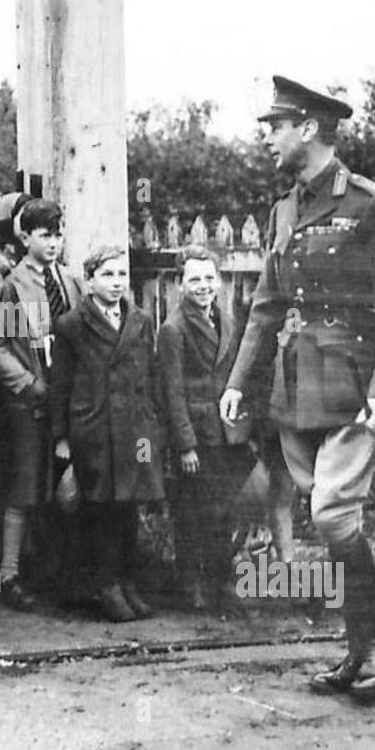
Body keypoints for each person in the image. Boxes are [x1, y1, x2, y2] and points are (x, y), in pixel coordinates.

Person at [220, 76, 375, 697]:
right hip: (296, 391)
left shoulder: (369, 205)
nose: (269, 139)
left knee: (332, 513)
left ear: (308, 128)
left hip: (355, 392)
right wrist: (239, 384)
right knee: (329, 518)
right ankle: (360, 648)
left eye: (276, 127)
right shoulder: (285, 209)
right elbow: (266, 306)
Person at [49, 245, 165, 623]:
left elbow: (149, 374)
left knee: (129, 505)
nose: (116, 283)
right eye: (108, 275)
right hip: (95, 429)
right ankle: (106, 584)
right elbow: (60, 385)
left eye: (122, 276)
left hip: (134, 429)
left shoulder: (141, 320)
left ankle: (127, 580)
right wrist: (62, 437)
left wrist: (150, 423)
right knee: (100, 508)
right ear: (90, 279)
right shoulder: (72, 324)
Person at [0, 198, 85, 609]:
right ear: (26, 238)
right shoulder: (13, 284)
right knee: (26, 487)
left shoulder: (71, 282)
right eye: (45, 235)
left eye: (58, 234)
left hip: (70, 402)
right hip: (32, 403)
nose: (53, 243)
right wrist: (28, 385)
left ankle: (57, 572)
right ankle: (8, 575)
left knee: (65, 488)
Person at [157, 247, 256, 610]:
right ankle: (191, 583)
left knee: (223, 510)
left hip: (226, 432)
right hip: (197, 436)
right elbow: (172, 391)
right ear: (180, 284)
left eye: (209, 278)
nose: (203, 286)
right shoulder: (173, 329)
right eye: (194, 280)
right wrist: (184, 446)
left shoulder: (225, 319)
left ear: (219, 280)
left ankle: (222, 580)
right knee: (192, 513)